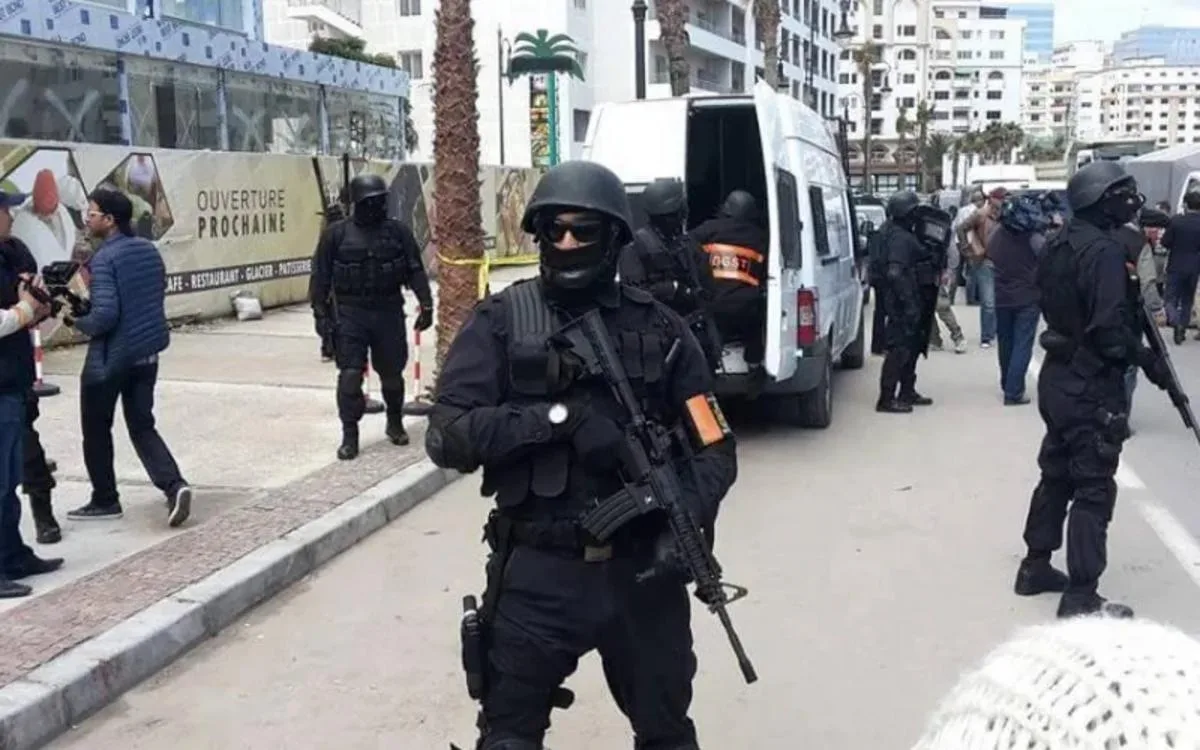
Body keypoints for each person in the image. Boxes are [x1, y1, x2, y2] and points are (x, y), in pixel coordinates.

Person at [425, 160, 738, 750]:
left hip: (643, 572)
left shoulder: (664, 331)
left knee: (668, 735)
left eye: (583, 230)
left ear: (615, 238)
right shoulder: (502, 322)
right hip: (540, 571)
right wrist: (557, 421)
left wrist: (683, 520)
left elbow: (715, 444)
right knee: (509, 737)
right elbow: (447, 435)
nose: (566, 242)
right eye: (554, 229)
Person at [1015, 161, 1172, 619]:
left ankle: (1035, 566)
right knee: (1093, 487)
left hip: (1058, 377)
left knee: (1056, 473)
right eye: (1123, 194)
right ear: (1103, 200)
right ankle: (1082, 594)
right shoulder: (1103, 251)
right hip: (1090, 383)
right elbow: (1108, 333)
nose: (1132, 202)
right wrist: (1147, 360)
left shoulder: (1058, 241)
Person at [66, 188, 193, 527]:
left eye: (92, 214)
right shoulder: (149, 250)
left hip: (111, 358)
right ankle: (174, 485)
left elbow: (105, 316)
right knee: (141, 425)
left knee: (96, 428)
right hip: (147, 354)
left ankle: (105, 499)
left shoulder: (105, 259)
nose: (87, 219)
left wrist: (77, 319)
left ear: (109, 220)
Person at [310, 174, 434, 460]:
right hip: (350, 313)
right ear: (358, 203)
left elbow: (415, 270)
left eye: (380, 201)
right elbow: (320, 277)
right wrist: (320, 315)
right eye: (371, 201)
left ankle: (394, 422)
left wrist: (426, 304)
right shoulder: (336, 235)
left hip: (388, 310)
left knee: (391, 374)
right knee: (350, 376)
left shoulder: (398, 232)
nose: (377, 206)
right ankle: (349, 435)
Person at [0, 189, 63, 598]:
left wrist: (37, 300)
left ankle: (13, 555)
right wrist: (24, 309)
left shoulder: (11, 252)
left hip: (13, 381)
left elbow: (26, 300)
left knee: (9, 481)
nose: (11, 216)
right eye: (5, 210)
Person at [619, 179, 721, 368]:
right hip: (659, 335)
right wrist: (673, 289)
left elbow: (708, 289)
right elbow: (633, 293)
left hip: (694, 330)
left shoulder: (687, 245)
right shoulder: (637, 247)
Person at [874, 191, 938, 414]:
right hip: (901, 303)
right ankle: (887, 398)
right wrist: (909, 303)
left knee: (911, 347)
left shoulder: (892, 231)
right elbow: (895, 273)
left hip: (901, 300)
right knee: (899, 350)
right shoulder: (900, 238)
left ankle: (907, 391)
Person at [691, 190, 768, 370]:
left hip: (712, 304)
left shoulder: (707, 230)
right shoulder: (759, 237)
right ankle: (754, 363)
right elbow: (765, 274)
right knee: (759, 320)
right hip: (746, 308)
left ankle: (710, 363)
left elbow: (687, 247)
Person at [989, 192, 1048, 406]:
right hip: (1027, 296)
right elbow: (1047, 258)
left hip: (1002, 295)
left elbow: (990, 254)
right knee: (1022, 344)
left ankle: (1007, 382)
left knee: (1005, 343)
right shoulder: (1034, 238)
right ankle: (1013, 392)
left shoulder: (997, 234)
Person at [959, 187, 1006, 347]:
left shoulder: (1006, 215)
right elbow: (961, 228)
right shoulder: (981, 214)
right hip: (985, 260)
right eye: (1002, 198)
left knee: (999, 301)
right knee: (988, 302)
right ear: (993, 199)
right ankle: (986, 337)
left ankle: (995, 332)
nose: (1004, 201)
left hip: (1002, 263)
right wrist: (967, 250)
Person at [1161, 191, 1200, 345]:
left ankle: (1175, 322)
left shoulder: (1176, 221)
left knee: (1170, 299)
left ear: (1185, 204)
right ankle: (1182, 327)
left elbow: (1165, 242)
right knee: (1187, 300)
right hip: (1195, 267)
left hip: (1176, 264)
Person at [310, 199, 346, 363]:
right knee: (327, 316)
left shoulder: (330, 236)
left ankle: (331, 347)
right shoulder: (336, 236)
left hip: (331, 284)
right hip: (328, 284)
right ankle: (330, 347)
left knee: (330, 316)